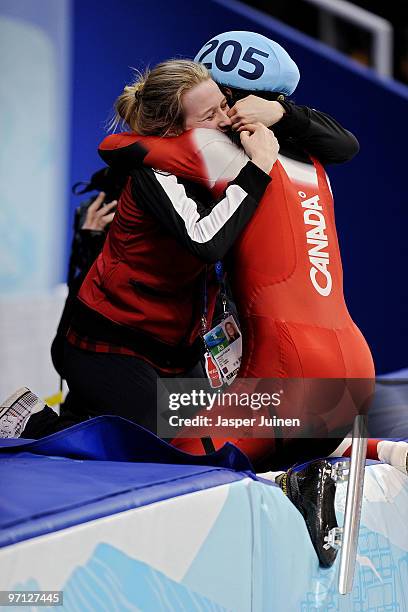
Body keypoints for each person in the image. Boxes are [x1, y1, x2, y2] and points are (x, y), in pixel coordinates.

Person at [0, 59, 278, 439]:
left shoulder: (216, 158)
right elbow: (206, 242)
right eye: (209, 115)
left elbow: (343, 143)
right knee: (151, 440)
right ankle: (31, 421)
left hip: (174, 347)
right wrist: (259, 166)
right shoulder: (154, 172)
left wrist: (282, 111)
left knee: (215, 428)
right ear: (172, 130)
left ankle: (84, 416)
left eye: (223, 105)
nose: (226, 120)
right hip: (112, 342)